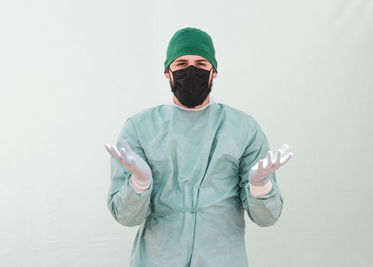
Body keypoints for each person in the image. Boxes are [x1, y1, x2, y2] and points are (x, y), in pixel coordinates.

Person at [104, 27, 293, 267]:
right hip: (158, 259)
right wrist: (139, 184)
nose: (191, 71)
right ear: (167, 72)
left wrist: (259, 186)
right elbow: (125, 216)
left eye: (201, 65)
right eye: (181, 63)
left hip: (222, 258)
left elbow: (267, 217)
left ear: (214, 72)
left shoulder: (243, 128)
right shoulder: (140, 128)